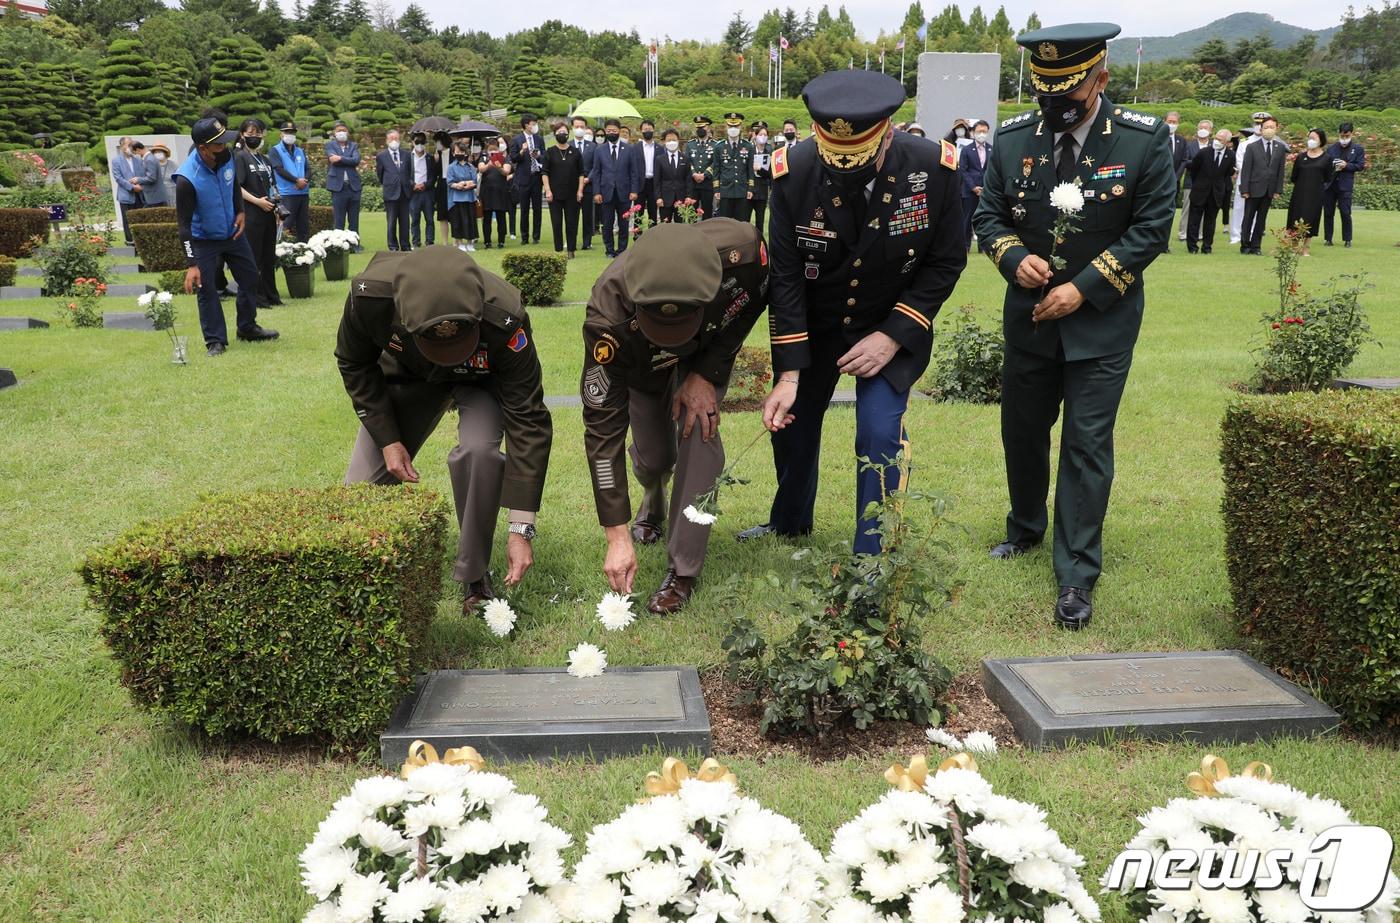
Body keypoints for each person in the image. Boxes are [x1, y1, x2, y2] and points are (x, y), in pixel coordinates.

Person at [972, 22, 1175, 631]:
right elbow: (988, 213)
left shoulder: (1143, 140)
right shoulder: (1013, 140)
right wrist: (1013, 257)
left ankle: (1078, 572)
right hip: (1030, 319)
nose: (1055, 103)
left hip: (1101, 326)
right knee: (1023, 431)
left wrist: (1081, 289)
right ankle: (1025, 527)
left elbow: (1151, 229)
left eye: (1069, 91)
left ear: (1101, 78)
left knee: (1086, 445)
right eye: (1045, 90)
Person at [738, 70, 966, 555]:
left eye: (857, 159)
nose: (845, 169)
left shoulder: (934, 167)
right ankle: (789, 522)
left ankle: (872, 547)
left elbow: (945, 260)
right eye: (834, 159)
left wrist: (894, 334)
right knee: (792, 425)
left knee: (879, 433)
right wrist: (791, 375)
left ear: (888, 130)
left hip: (891, 322)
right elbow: (785, 275)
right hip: (816, 326)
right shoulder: (794, 170)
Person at [336, 246, 552, 611]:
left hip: (481, 380)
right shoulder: (370, 298)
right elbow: (354, 363)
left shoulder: (504, 318)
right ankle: (354, 573)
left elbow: (527, 418)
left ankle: (475, 576)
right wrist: (388, 440)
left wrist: (520, 528)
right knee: (361, 487)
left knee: (479, 453)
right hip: (409, 374)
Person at [583, 220, 768, 613]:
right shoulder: (608, 312)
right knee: (653, 458)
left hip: (707, 347)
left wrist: (707, 371)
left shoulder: (744, 257)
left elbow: (754, 300)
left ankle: (683, 569)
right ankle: (653, 500)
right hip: (642, 362)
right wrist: (616, 536)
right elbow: (602, 431)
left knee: (700, 430)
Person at [175, 116, 279, 357]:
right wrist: (192, 264)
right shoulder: (186, 180)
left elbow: (233, 186)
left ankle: (247, 327)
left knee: (251, 277)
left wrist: (240, 211)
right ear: (203, 148)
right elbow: (183, 226)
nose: (225, 147)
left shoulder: (227, 158)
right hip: (203, 240)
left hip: (232, 233)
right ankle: (215, 340)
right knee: (207, 288)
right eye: (218, 144)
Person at [233, 118, 283, 308]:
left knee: (269, 257)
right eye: (250, 133)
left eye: (258, 133)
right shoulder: (239, 157)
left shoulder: (265, 159)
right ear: (242, 135)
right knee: (255, 258)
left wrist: (278, 208)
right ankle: (257, 297)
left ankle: (272, 295)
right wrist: (257, 202)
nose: (254, 136)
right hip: (251, 213)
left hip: (269, 213)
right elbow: (237, 187)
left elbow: (273, 186)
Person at [1239, 115, 1287, 255]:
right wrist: (1244, 189)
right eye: (1266, 127)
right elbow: (1246, 170)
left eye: (1272, 127)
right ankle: (1245, 245)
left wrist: (1278, 189)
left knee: (1261, 220)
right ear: (1261, 129)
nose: (1269, 130)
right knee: (1248, 217)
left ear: (1277, 128)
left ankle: (1256, 246)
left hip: (1269, 190)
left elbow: (1281, 170)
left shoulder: (1280, 147)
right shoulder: (1252, 147)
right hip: (1253, 189)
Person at [1185, 129, 1236, 255]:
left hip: (1216, 193)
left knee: (1210, 221)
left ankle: (1207, 246)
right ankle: (1192, 246)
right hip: (1200, 191)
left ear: (1227, 142)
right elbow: (1194, 170)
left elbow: (1228, 173)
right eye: (1216, 138)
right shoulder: (1204, 152)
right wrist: (1199, 184)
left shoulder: (1230, 155)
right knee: (1194, 220)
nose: (1216, 141)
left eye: (1220, 140)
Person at [589, 118, 634, 258]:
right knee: (607, 224)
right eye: (609, 131)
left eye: (614, 131)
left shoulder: (628, 149)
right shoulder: (599, 150)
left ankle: (622, 250)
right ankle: (609, 250)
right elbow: (596, 172)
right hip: (606, 192)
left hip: (624, 192)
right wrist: (596, 192)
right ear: (605, 131)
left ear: (619, 132)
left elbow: (634, 172)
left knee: (623, 224)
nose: (611, 133)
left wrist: (634, 190)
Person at [1286, 129, 1334, 257]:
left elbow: (1328, 178)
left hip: (1315, 195)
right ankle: (1294, 247)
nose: (1311, 141)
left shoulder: (1327, 158)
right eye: (1310, 138)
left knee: (1310, 220)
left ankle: (1306, 249)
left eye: (1314, 138)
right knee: (1295, 219)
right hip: (1299, 193)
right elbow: (1294, 177)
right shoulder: (1301, 157)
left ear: (1321, 140)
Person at [542, 121, 585, 257]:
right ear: (555, 134)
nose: (562, 134)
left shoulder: (576, 152)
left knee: (571, 222)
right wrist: (548, 190)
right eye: (559, 132)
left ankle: (571, 250)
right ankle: (559, 250)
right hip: (554, 194)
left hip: (572, 193)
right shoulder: (550, 152)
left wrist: (580, 190)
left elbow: (581, 173)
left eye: (564, 132)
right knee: (556, 222)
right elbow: (544, 173)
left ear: (568, 133)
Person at [1229, 113, 1269, 245]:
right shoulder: (1244, 142)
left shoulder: (1268, 143)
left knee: (1256, 208)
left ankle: (1252, 233)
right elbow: (1239, 160)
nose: (1258, 127)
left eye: (1261, 124)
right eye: (1256, 124)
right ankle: (1236, 235)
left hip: (1259, 182)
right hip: (1245, 179)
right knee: (1239, 207)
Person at [1323, 122, 1365, 248]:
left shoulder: (1358, 149)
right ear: (1339, 133)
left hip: (1345, 185)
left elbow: (1360, 165)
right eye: (1342, 135)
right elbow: (1325, 164)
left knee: (1345, 212)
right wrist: (1333, 165)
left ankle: (1347, 239)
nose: (1344, 138)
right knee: (1328, 213)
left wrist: (1346, 165)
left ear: (1351, 134)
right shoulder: (1331, 148)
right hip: (1330, 185)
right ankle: (1328, 238)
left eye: (1347, 135)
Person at [267, 121, 310, 242]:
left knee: (303, 226)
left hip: (303, 192)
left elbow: (308, 169)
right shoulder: (275, 150)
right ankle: (280, 251)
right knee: (286, 225)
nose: (289, 135)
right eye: (287, 132)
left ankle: (304, 253)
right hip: (287, 193)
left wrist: (304, 181)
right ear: (281, 134)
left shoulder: (300, 150)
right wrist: (296, 181)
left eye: (292, 132)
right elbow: (279, 169)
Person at [324, 120, 362, 246]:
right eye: (338, 130)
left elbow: (356, 160)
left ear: (348, 132)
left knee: (354, 219)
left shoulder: (353, 145)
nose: (341, 132)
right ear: (334, 133)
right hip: (338, 187)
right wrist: (347, 159)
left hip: (353, 187)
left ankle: (354, 245)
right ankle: (339, 245)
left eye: (343, 130)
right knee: (339, 219)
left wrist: (340, 158)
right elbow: (333, 160)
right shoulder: (330, 145)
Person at [511, 114, 545, 245]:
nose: (535, 126)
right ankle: (524, 237)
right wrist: (521, 151)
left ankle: (536, 236)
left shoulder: (539, 139)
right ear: (526, 125)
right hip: (524, 178)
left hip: (536, 176)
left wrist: (539, 155)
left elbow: (544, 155)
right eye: (533, 123)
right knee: (524, 209)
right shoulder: (517, 139)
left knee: (538, 208)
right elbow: (513, 158)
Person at [376, 130, 413, 251]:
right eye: (391, 139)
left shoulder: (407, 155)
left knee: (405, 222)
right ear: (387, 141)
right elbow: (380, 174)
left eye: (396, 138)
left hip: (404, 192)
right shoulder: (381, 156)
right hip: (390, 193)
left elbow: (410, 172)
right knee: (391, 222)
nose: (394, 141)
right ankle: (392, 246)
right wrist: (390, 183)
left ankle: (405, 245)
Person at [1177, 119, 1212, 244]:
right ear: (1197, 130)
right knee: (1187, 208)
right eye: (1201, 128)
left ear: (1211, 131)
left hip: (1208, 184)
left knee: (1204, 209)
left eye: (1206, 128)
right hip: (1191, 181)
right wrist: (1200, 163)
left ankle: (1200, 233)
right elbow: (1186, 161)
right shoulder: (1189, 145)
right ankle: (1183, 233)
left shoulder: (1213, 145)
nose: (1203, 130)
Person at [715, 112, 754, 221]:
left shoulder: (748, 146)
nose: (733, 128)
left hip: (742, 191)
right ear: (726, 126)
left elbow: (750, 169)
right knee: (725, 224)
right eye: (730, 126)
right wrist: (716, 189)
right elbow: (716, 170)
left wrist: (750, 188)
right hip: (725, 191)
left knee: (742, 223)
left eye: (736, 126)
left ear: (740, 126)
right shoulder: (719, 147)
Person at [959, 120, 992, 250]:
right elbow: (963, 170)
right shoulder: (967, 150)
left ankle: (982, 247)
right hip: (969, 190)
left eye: (984, 131)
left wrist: (986, 187)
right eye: (979, 131)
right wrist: (973, 187)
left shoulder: (992, 149)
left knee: (984, 219)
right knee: (967, 219)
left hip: (986, 191)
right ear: (973, 132)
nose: (982, 134)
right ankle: (965, 246)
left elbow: (992, 170)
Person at [1163, 111, 1191, 253]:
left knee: (1169, 214)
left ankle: (1165, 244)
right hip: (1159, 182)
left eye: (1174, 122)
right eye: (1169, 121)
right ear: (1164, 121)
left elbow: (1184, 160)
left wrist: (1176, 177)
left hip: (1174, 183)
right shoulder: (1157, 138)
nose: (1172, 124)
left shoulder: (1181, 141)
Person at [476, 145, 512, 250]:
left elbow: (506, 172)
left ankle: (501, 241)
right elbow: (481, 169)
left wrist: (498, 166)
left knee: (501, 217)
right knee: (486, 218)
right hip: (487, 192)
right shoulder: (483, 159)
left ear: (499, 151)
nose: (493, 153)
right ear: (487, 152)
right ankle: (487, 242)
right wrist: (489, 164)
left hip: (501, 192)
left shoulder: (504, 159)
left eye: (495, 151)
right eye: (491, 151)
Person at [445, 142, 479, 252]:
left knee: (470, 221)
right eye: (457, 152)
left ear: (465, 153)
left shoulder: (471, 167)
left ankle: (470, 243)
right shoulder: (451, 167)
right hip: (456, 198)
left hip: (469, 198)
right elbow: (450, 182)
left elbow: (474, 181)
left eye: (462, 152)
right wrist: (459, 185)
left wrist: (467, 184)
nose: (460, 154)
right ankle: (459, 243)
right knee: (457, 221)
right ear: (454, 153)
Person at [408, 133, 440, 249]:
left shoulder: (430, 158)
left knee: (430, 219)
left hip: (427, 192)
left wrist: (425, 185)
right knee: (415, 219)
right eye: (417, 142)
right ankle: (416, 242)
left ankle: (430, 242)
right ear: (412, 143)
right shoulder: (408, 158)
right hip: (414, 193)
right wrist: (413, 185)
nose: (419, 145)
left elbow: (433, 176)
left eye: (422, 142)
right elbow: (405, 175)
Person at [112, 136, 145, 244]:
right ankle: (130, 242)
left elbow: (143, 175)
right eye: (128, 144)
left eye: (132, 144)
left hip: (140, 194)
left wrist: (140, 185)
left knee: (140, 218)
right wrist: (132, 187)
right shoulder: (116, 161)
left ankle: (141, 241)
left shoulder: (138, 159)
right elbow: (118, 178)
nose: (130, 147)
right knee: (127, 220)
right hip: (126, 195)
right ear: (122, 147)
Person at [627, 119, 660, 226]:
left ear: (653, 130)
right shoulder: (634, 148)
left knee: (653, 212)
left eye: (649, 129)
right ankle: (637, 237)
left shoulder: (660, 148)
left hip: (654, 183)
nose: (647, 131)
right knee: (638, 213)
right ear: (641, 131)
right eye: (645, 129)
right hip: (639, 184)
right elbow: (631, 168)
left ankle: (653, 237)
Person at [654, 128, 691, 222]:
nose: (671, 142)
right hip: (665, 199)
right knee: (665, 226)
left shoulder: (685, 159)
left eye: (674, 140)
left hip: (681, 198)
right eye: (669, 140)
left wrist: (688, 196)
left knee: (680, 226)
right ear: (664, 142)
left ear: (678, 141)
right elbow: (657, 181)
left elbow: (688, 179)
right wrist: (658, 197)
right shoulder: (659, 159)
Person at [572, 115, 597, 250]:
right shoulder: (568, 145)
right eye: (577, 127)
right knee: (572, 215)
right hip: (572, 186)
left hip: (588, 185)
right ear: (572, 128)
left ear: (586, 128)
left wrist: (588, 178)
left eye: (582, 127)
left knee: (588, 215)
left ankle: (587, 242)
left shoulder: (592, 146)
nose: (579, 129)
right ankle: (572, 240)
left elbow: (596, 166)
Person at [685, 116, 717, 219]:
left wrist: (705, 174)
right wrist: (694, 173)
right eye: (698, 128)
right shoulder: (690, 145)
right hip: (693, 184)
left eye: (702, 127)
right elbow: (687, 161)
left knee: (707, 211)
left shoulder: (715, 145)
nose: (700, 130)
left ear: (708, 128)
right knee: (691, 213)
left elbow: (715, 162)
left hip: (707, 183)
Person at [749, 121, 772, 230]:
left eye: (765, 135)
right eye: (760, 134)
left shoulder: (770, 151)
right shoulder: (749, 150)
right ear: (755, 136)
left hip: (762, 191)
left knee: (760, 222)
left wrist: (760, 169)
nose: (762, 137)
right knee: (746, 221)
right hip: (749, 191)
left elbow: (771, 173)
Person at [139, 141, 168, 207]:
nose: (158, 154)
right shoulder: (150, 163)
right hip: (154, 196)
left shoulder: (172, 165)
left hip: (168, 194)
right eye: (156, 152)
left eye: (160, 152)